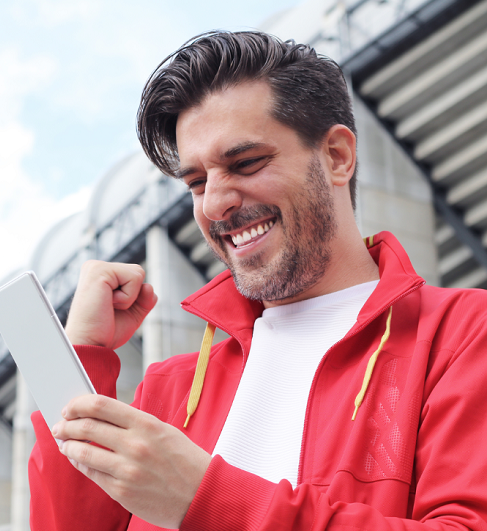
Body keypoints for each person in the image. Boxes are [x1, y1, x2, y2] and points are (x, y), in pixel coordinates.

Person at [28, 31, 487, 530]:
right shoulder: (170, 390)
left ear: (336, 156)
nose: (214, 204)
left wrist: (205, 499)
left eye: (245, 163)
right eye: (197, 182)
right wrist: (79, 361)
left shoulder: (462, 335)